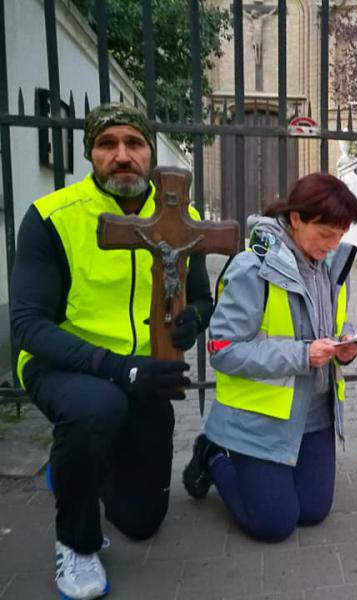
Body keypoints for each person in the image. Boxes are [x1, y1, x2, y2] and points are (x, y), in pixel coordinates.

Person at [10, 103, 212, 600]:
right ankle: (75, 543)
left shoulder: (181, 217)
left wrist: (195, 321)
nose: (122, 156)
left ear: (150, 152)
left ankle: (76, 466)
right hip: (65, 364)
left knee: (143, 522)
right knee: (97, 408)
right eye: (107, 145)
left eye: (134, 144)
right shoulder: (51, 217)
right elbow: (28, 326)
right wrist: (116, 370)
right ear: (90, 153)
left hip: (142, 370)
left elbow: (204, 297)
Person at [182, 172, 357, 542]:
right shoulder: (252, 268)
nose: (333, 245)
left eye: (341, 235)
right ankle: (214, 455)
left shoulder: (328, 265)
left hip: (315, 413)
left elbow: (333, 322)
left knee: (312, 511)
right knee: (274, 524)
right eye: (326, 233)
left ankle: (270, 474)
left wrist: (345, 343)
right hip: (260, 418)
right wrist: (301, 354)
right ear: (296, 219)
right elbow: (223, 350)